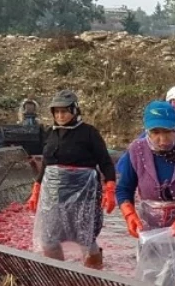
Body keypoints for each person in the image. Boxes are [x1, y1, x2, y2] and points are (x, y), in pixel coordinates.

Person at [26, 90, 116, 268]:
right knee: (49, 236)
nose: (60, 116)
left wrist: (110, 188)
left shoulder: (89, 133)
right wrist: (36, 189)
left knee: (85, 235)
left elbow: (105, 162)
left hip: (83, 195)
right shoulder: (51, 134)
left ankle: (94, 275)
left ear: (75, 111)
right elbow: (46, 163)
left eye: (64, 111)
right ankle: (58, 271)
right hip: (54, 196)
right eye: (56, 112)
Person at [115, 101, 175, 236]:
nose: (162, 140)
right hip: (150, 229)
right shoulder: (137, 150)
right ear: (147, 131)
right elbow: (124, 188)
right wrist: (129, 214)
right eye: (155, 133)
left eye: (168, 132)